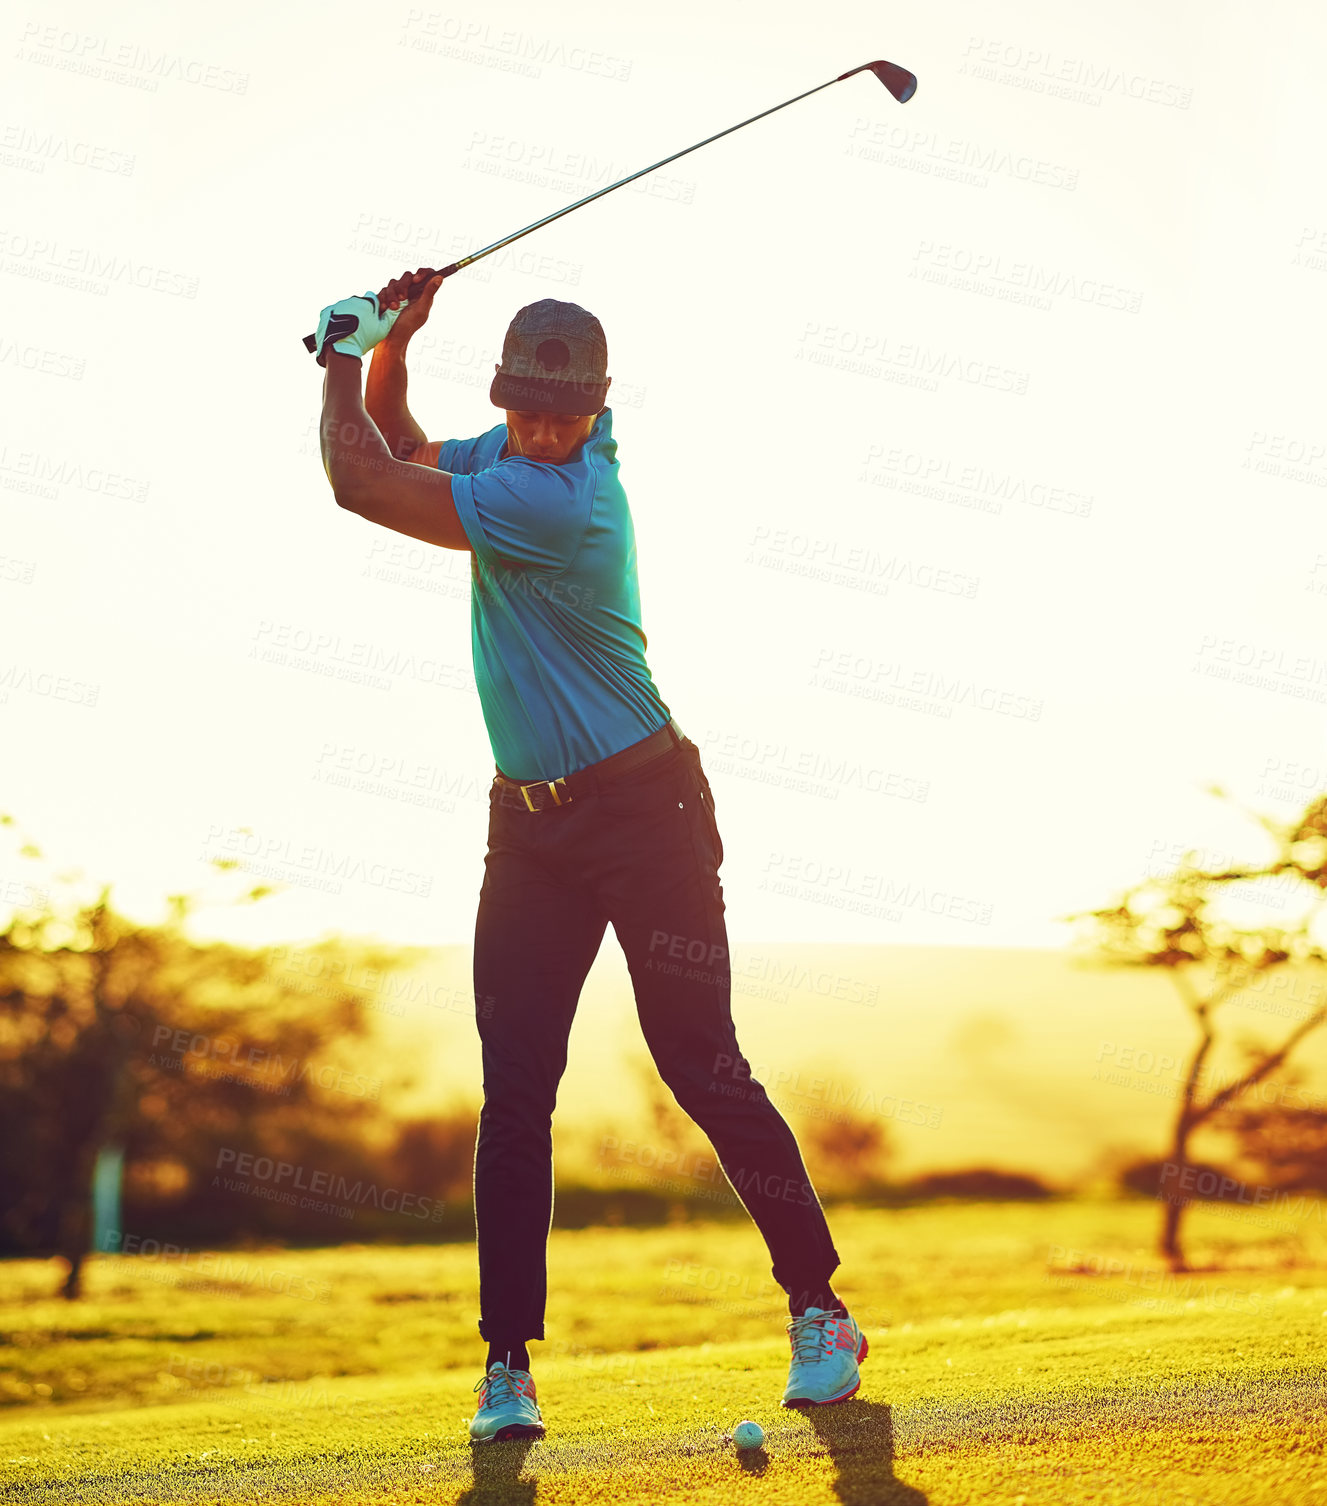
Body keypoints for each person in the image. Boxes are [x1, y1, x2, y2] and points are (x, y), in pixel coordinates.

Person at [313, 271, 865, 1444]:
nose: (542, 427)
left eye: (561, 414)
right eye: (524, 406)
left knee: (700, 1064)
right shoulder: (507, 457)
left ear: (594, 410)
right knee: (515, 1091)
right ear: (509, 394)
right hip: (530, 830)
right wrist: (396, 349)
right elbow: (408, 446)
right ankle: (506, 1366)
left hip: (643, 815)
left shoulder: (563, 497)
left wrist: (337, 355)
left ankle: (818, 1311)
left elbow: (361, 480)